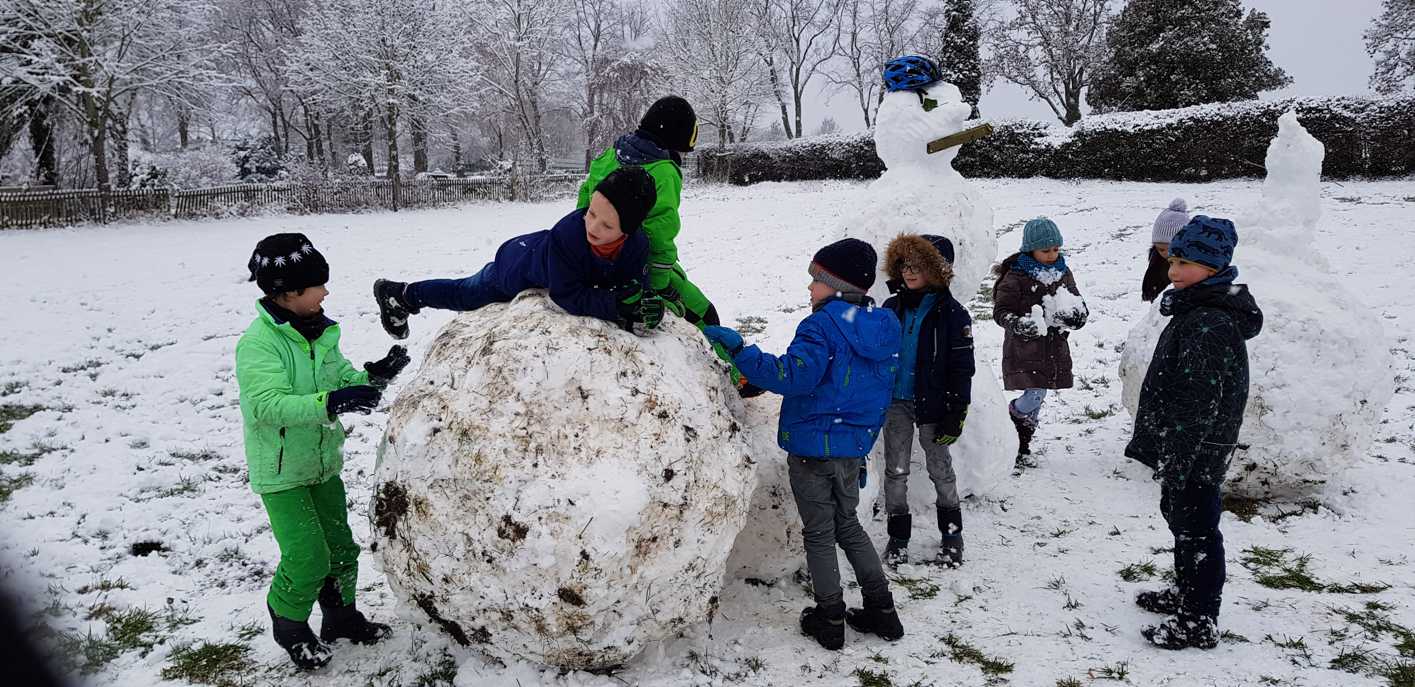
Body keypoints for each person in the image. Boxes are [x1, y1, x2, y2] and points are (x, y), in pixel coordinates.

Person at [702, 239, 904, 651]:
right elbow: (877, 389)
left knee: (819, 533)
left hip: (813, 449)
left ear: (836, 284)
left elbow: (793, 377)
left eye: (815, 280)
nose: (809, 288)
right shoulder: (883, 326)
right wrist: (859, 445)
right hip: (851, 446)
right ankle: (883, 610)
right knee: (848, 524)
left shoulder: (821, 324)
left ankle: (829, 618)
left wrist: (741, 351)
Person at [238, 233, 410, 669]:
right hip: (282, 474)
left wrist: (373, 378)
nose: (326, 292)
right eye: (319, 285)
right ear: (289, 292)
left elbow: (340, 377)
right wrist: (330, 404)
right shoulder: (259, 344)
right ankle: (290, 623)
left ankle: (341, 617)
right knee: (307, 555)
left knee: (340, 547)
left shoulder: (321, 332)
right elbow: (266, 405)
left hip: (321, 464)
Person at [1125, 216, 1263, 650]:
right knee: (1182, 521)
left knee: (1198, 530)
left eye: (1184, 263)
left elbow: (1199, 397)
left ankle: (1199, 619)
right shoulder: (1196, 308)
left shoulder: (1210, 321)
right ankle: (1187, 595)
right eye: (1173, 261)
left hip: (1198, 444)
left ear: (1213, 266)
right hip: (1186, 440)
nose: (1174, 271)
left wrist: (1180, 454)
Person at [578, 96, 761, 396]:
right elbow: (659, 235)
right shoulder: (662, 172)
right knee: (703, 313)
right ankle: (737, 379)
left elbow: (582, 207)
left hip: (597, 258)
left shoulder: (610, 155)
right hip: (638, 268)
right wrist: (659, 286)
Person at [373, 168, 659, 337]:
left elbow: (635, 289)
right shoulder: (569, 234)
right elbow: (567, 295)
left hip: (537, 256)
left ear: (628, 230)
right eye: (591, 212)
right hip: (516, 267)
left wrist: (643, 309)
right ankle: (401, 295)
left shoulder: (638, 245)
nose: (593, 226)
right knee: (466, 294)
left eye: (607, 224)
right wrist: (617, 305)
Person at [878, 234, 975, 568]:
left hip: (934, 404)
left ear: (938, 270)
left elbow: (962, 368)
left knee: (941, 470)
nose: (909, 272)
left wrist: (956, 412)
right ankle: (898, 536)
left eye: (918, 265)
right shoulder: (892, 308)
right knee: (896, 470)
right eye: (904, 264)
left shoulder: (953, 315)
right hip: (897, 402)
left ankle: (952, 536)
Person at [992, 217, 1089, 474]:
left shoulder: (1063, 273)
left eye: (1056, 249)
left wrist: (1077, 317)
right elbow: (1001, 311)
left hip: (1053, 348)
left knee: (1039, 396)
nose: (1052, 254)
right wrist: (1020, 323)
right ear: (1030, 249)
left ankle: (1020, 447)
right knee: (1034, 395)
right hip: (1024, 348)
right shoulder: (1016, 276)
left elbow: (1077, 302)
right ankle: (1011, 418)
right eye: (1046, 250)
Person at [1143, 198, 1189, 302]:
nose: (1168, 254)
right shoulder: (1157, 263)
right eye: (1161, 249)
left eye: (1172, 249)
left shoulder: (1193, 267)